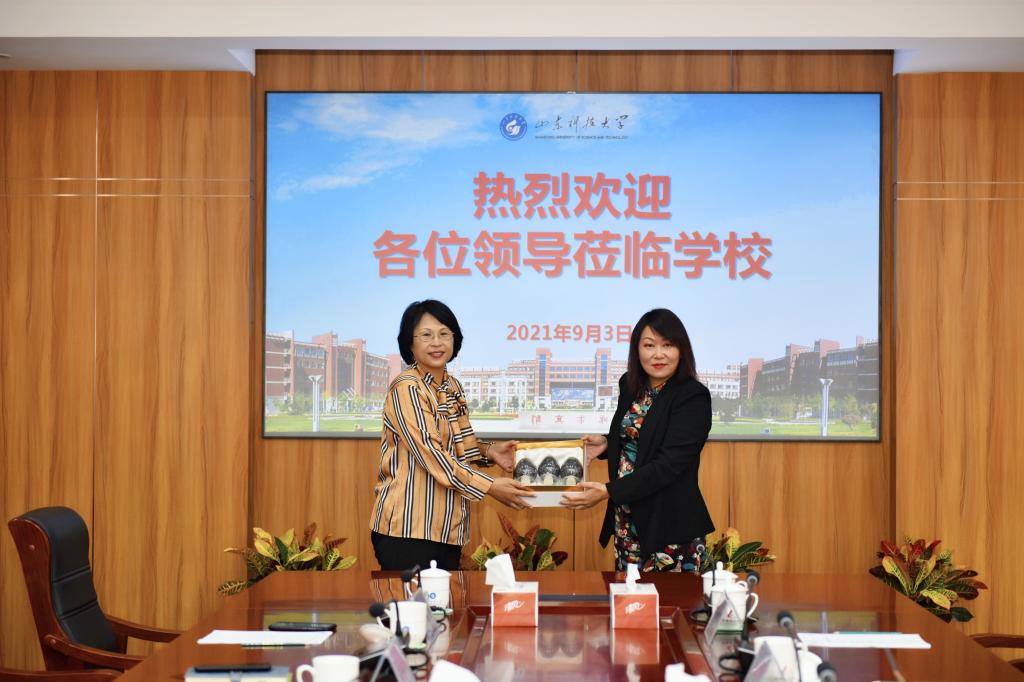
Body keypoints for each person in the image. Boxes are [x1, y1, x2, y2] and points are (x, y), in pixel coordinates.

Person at [370, 299, 535, 570]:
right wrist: (491, 486)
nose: (437, 343)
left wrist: (489, 451)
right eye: (426, 335)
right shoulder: (407, 388)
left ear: (455, 339)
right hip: (409, 529)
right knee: (413, 600)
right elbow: (433, 456)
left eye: (444, 334)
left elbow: (459, 445)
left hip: (448, 528)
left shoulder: (452, 385)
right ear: (409, 343)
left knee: (443, 600)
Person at [560, 308, 713, 572]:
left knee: (669, 599)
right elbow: (638, 435)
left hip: (669, 526)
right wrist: (607, 444)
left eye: (668, 345)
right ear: (637, 349)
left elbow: (669, 464)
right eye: (649, 345)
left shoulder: (693, 396)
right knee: (627, 596)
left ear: (681, 350)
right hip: (627, 520)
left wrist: (608, 491)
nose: (658, 354)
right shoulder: (630, 385)